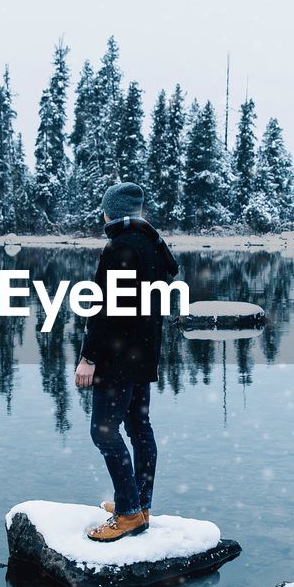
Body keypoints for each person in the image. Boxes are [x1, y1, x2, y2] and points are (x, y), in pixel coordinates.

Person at [75, 182, 179, 542]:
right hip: (143, 351)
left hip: (118, 356)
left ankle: (130, 514)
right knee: (138, 428)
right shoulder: (150, 243)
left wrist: (89, 357)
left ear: (111, 211)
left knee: (104, 432)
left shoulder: (120, 247)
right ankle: (138, 503)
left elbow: (104, 311)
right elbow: (168, 273)